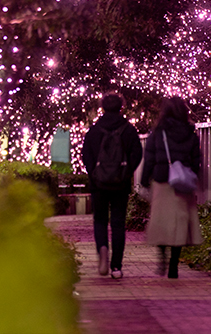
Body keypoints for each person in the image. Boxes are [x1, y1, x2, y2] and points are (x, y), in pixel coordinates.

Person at [81, 91, 143, 279]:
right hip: (120, 184)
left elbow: (86, 155)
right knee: (117, 223)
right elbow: (137, 153)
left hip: (99, 184)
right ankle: (116, 267)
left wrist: (93, 172)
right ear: (121, 107)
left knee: (100, 220)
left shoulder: (94, 130)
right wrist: (127, 172)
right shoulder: (128, 130)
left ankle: (102, 250)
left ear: (102, 107)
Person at [140, 96, 203, 279]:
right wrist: (192, 176)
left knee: (161, 222)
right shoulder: (190, 134)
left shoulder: (158, 133)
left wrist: (144, 181)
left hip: (162, 181)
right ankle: (174, 265)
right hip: (182, 184)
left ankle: (162, 258)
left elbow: (149, 158)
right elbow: (196, 160)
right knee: (179, 225)